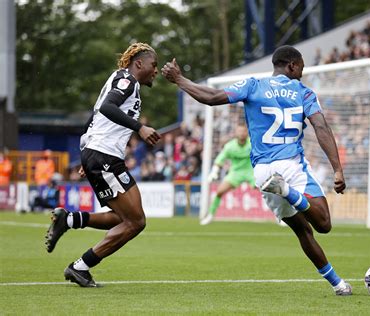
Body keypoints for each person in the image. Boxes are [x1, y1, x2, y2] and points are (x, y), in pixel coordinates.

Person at [162, 45, 351, 295]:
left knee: (302, 230)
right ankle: (290, 193)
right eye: (301, 67)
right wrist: (337, 169)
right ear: (292, 65)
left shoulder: (253, 85)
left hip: (263, 172)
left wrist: (180, 79)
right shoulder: (304, 93)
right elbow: (321, 128)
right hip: (291, 164)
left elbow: (211, 97)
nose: (302, 73)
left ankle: (338, 284)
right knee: (323, 224)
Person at [45, 43, 161, 287]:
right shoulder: (127, 80)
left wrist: (85, 154)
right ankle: (80, 267)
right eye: (154, 65)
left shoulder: (122, 81)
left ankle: (68, 220)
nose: (156, 70)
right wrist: (140, 128)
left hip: (99, 154)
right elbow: (107, 107)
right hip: (105, 156)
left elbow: (95, 116)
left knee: (122, 218)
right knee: (136, 221)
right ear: (139, 63)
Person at [200, 125, 255, 225]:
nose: (242, 133)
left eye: (244, 131)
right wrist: (214, 172)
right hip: (235, 172)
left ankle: (282, 216)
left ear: (247, 132)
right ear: (236, 133)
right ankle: (210, 215)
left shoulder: (253, 143)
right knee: (219, 191)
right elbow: (220, 159)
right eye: (240, 131)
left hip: (251, 172)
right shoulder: (230, 146)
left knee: (269, 190)